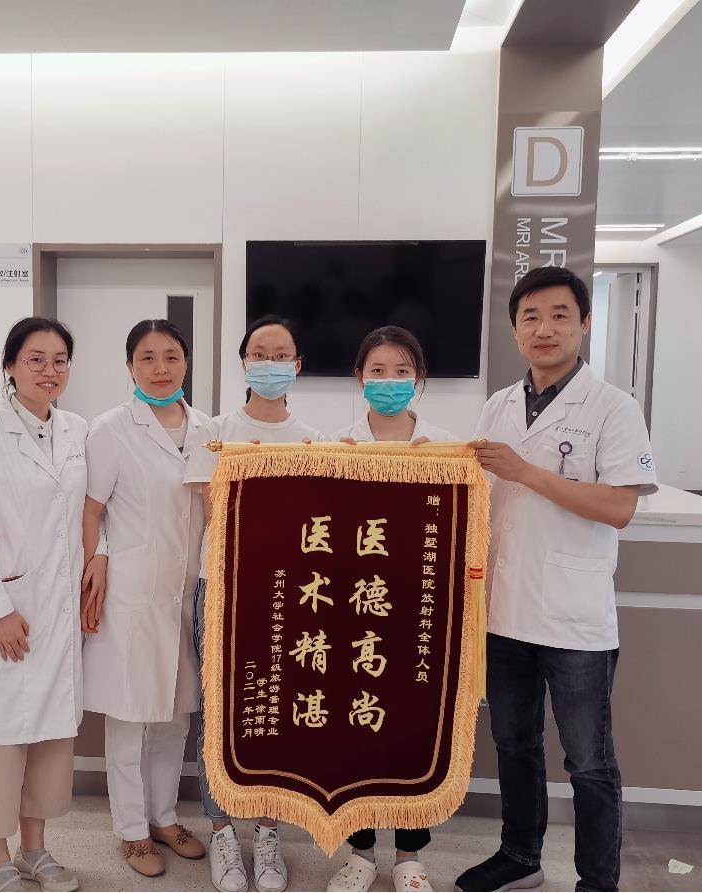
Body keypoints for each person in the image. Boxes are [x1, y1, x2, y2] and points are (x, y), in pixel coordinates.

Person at [455, 265, 658, 893]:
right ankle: (521, 857)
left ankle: (597, 882)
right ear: (514, 329)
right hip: (503, 611)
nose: (544, 329)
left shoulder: (613, 408)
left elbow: (619, 507)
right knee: (514, 744)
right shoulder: (498, 405)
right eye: (531, 317)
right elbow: (476, 495)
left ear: (585, 324)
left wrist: (526, 471)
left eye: (559, 315)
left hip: (574, 616)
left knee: (588, 760)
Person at [0, 317, 98, 892]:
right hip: (7, 606)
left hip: (58, 610)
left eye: (59, 360)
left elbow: (92, 510)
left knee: (51, 735)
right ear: (10, 366)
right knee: (2, 737)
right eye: (35, 359)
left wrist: (100, 558)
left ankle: (35, 849)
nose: (49, 371)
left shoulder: (77, 430)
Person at [184, 315, 323, 893]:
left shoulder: (312, 440)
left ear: (297, 366)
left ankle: (268, 831)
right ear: (244, 364)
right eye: (260, 354)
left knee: (274, 714)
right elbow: (209, 507)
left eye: (281, 354)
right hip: (223, 588)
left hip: (286, 594)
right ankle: (221, 830)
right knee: (217, 712)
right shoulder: (214, 431)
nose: (270, 363)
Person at [80, 319, 211, 878]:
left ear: (186, 363)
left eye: (172, 356)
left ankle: (164, 817)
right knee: (131, 717)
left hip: (189, 593)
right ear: (130, 366)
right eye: (148, 358)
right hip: (132, 593)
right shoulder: (111, 428)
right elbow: (90, 509)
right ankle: (131, 829)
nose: (161, 369)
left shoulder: (207, 429)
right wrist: (97, 559)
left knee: (176, 714)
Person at [327, 325, 455, 892]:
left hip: (418, 610)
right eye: (377, 371)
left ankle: (409, 855)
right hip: (354, 610)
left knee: (410, 730)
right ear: (359, 378)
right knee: (355, 729)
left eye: (401, 371)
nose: (389, 381)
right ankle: (360, 854)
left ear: (419, 379)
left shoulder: (445, 448)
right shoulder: (337, 446)